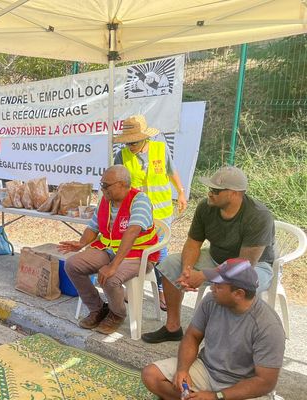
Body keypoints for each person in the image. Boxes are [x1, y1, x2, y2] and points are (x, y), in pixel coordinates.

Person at [141, 166, 275, 343]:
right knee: (170, 265)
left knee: (238, 284)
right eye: (210, 189)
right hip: (216, 257)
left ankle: (230, 342)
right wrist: (187, 270)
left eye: (216, 190)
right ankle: (172, 328)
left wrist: (204, 275)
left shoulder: (258, 215)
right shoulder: (206, 206)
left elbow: (244, 264)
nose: (209, 193)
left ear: (234, 194)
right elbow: (193, 243)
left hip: (255, 266)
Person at [142, 258, 285, 400]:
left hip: (243, 384)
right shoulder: (211, 301)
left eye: (218, 286)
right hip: (207, 370)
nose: (212, 288)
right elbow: (192, 336)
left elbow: (265, 382)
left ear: (238, 294)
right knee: (151, 375)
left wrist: (217, 396)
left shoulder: (268, 327)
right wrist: (182, 369)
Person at [58, 165, 159, 335]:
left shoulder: (139, 200)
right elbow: (93, 227)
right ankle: (98, 309)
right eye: (101, 184)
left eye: (106, 185)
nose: (102, 189)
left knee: (111, 278)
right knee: (72, 264)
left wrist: (113, 266)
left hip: (138, 255)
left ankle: (117, 314)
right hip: (108, 250)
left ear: (121, 184)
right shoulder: (106, 201)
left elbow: (133, 231)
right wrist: (81, 243)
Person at [114, 114, 187, 311]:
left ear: (145, 137)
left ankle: (163, 291)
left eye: (134, 141)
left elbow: (172, 172)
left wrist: (181, 192)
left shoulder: (160, 149)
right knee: (133, 249)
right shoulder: (121, 156)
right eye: (128, 142)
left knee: (161, 253)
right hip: (135, 214)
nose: (131, 145)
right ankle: (129, 288)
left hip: (161, 213)